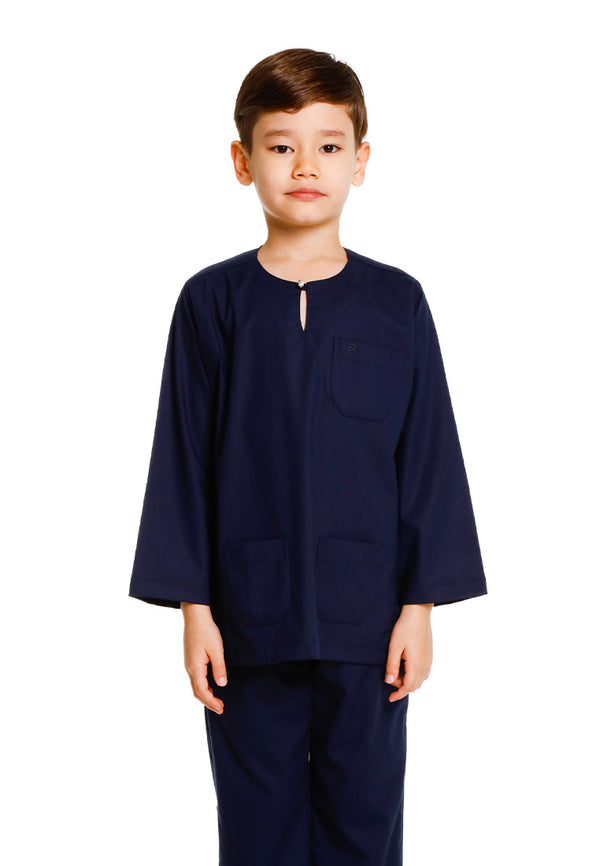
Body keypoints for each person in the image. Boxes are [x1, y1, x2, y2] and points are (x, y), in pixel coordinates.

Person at [128, 47, 487, 866]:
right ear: (241, 160)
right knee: (257, 830)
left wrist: (420, 608)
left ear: (361, 160)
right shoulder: (211, 302)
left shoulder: (397, 302)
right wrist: (194, 612)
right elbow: (182, 459)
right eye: (281, 145)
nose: (304, 166)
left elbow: (428, 456)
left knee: (366, 821)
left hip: (370, 623)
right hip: (247, 620)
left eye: (328, 145)